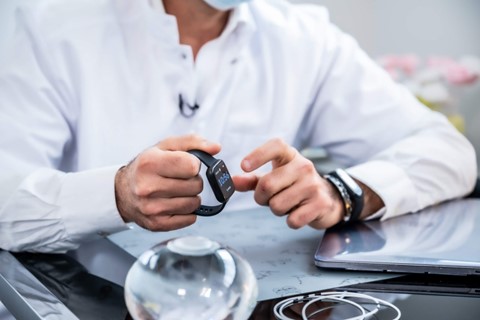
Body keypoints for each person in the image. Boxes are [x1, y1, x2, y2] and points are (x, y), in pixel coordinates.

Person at [0, 0, 476, 253]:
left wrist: (342, 194)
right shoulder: (53, 27)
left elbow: (449, 151)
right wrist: (116, 194)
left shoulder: (304, 38)